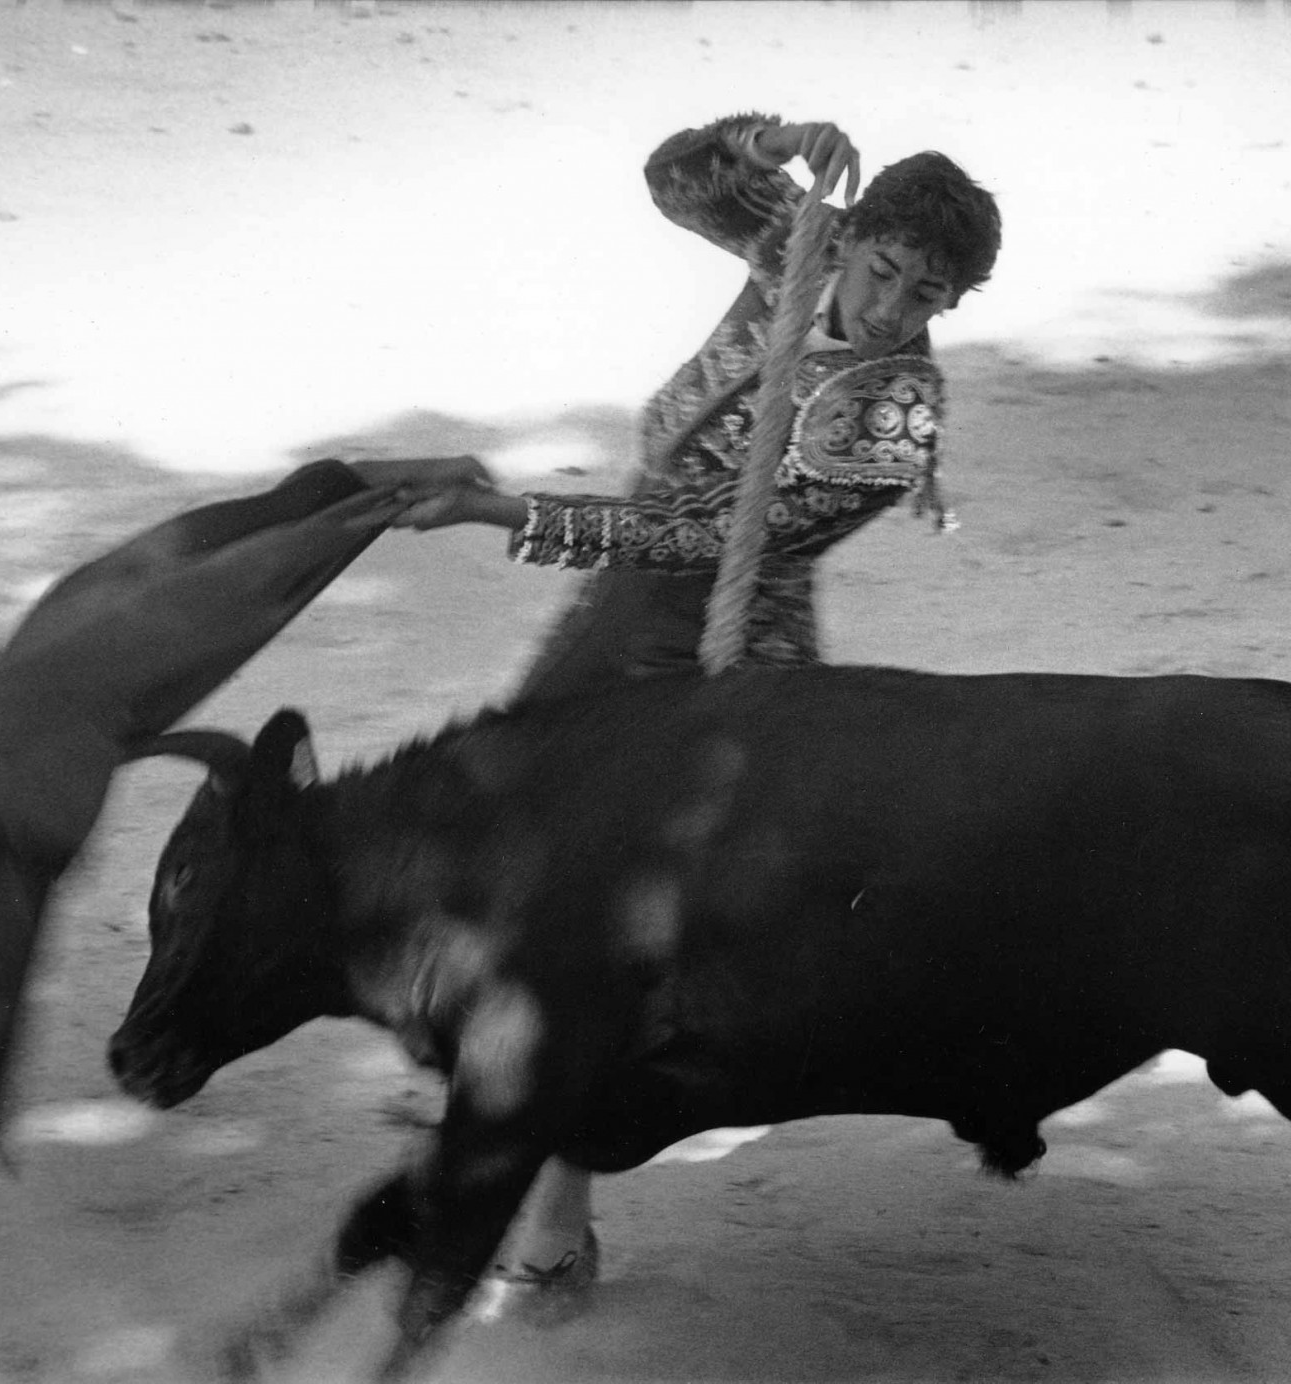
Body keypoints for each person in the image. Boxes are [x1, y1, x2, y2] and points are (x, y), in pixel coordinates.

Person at [389, 111, 1002, 1323]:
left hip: (722, 648)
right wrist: (767, 138)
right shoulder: (800, 246)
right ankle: (511, 1101)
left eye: (928, 295)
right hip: (619, 609)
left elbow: (702, 542)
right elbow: (674, 181)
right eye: (881, 271)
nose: (890, 311)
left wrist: (490, 514)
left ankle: (554, 1230)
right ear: (854, 236)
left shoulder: (895, 413)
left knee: (606, 933)